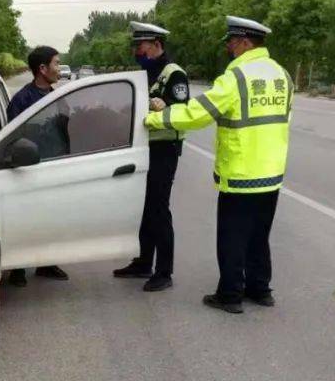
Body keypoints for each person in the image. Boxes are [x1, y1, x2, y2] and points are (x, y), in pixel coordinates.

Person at [143, 16, 292, 314]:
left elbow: (198, 114)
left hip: (241, 171)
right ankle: (260, 290)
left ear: (246, 42)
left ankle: (230, 295)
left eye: (232, 42)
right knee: (259, 235)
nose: (228, 47)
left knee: (232, 236)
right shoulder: (281, 74)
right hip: (272, 172)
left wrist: (156, 118)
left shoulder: (235, 77)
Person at [113, 22, 189, 291]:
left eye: (141, 45)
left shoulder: (173, 75)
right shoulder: (144, 73)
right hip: (143, 148)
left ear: (156, 44)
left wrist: (164, 107)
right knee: (143, 208)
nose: (137, 50)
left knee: (158, 209)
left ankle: (164, 272)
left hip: (164, 150)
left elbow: (182, 116)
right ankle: (144, 262)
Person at [6, 46, 69, 287]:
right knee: (25, 218)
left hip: (53, 166)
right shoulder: (22, 99)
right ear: (42, 69)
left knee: (50, 218)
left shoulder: (57, 98)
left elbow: (66, 131)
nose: (59, 69)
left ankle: (46, 263)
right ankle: (18, 268)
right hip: (28, 167)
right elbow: (11, 136)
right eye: (56, 63)